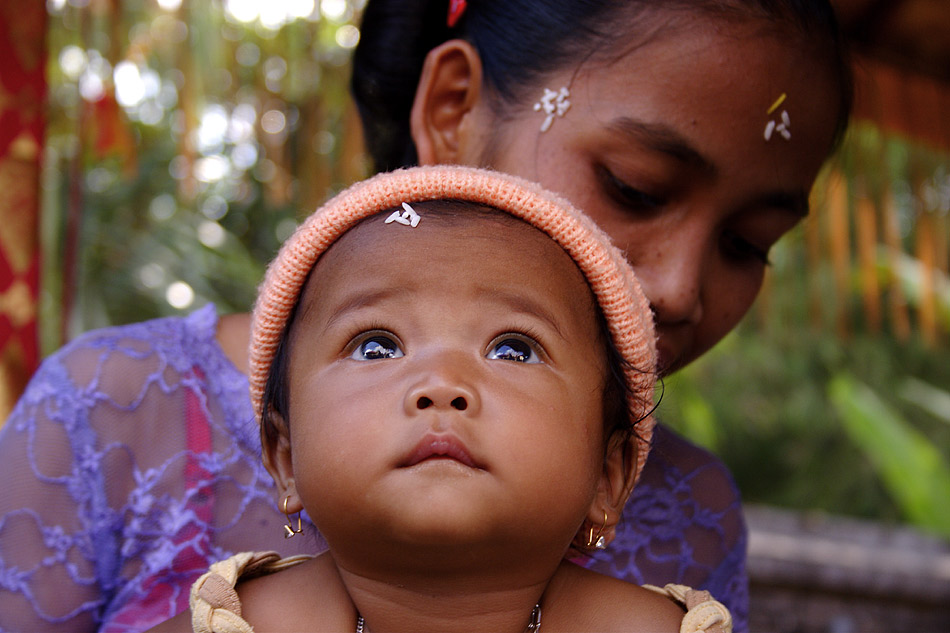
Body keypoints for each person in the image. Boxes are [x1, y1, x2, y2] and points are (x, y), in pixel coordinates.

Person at [0, 1, 851, 631]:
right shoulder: (109, 412)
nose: (678, 288)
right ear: (451, 111)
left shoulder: (690, 519)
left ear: (612, 476)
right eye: (634, 186)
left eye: (748, 242)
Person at [150, 164, 732, 633]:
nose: (441, 385)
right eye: (376, 346)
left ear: (608, 475)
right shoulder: (236, 623)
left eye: (514, 350)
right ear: (284, 458)